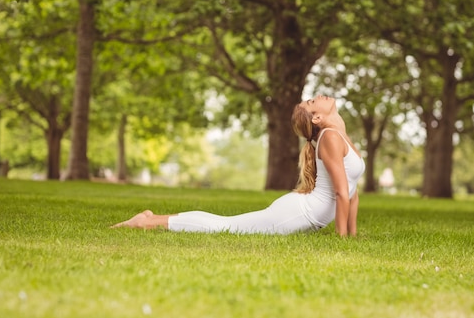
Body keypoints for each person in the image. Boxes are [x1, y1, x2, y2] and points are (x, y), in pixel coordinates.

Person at [111, 95, 365, 236]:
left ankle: (152, 218)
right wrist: (342, 239)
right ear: (317, 118)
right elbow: (341, 192)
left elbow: (352, 192)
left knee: (228, 223)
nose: (317, 97)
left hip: (303, 211)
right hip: (298, 214)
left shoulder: (339, 136)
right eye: (311, 101)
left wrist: (351, 235)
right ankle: (146, 223)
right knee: (227, 226)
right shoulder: (329, 137)